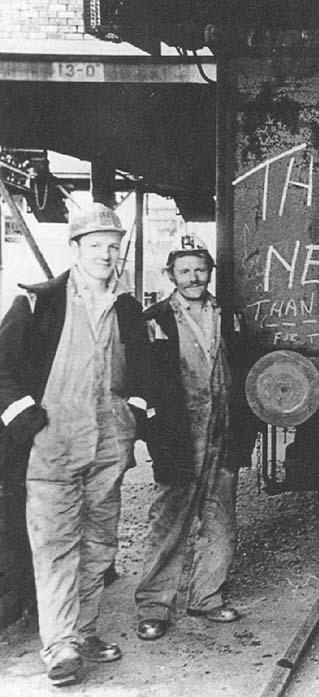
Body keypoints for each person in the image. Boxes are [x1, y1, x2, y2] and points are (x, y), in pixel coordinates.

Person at [0, 202, 150, 686]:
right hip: (52, 448)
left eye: (113, 245)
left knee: (100, 544)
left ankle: (83, 631)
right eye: (96, 245)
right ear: (76, 248)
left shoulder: (126, 307)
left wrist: (135, 415)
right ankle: (60, 645)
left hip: (108, 445)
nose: (106, 253)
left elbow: (145, 370)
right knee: (56, 546)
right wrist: (27, 422)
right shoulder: (38, 303)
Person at [134, 234, 254, 641]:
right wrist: (155, 435)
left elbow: (240, 369)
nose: (193, 277)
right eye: (184, 270)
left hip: (221, 429)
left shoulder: (227, 315)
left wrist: (244, 428)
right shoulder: (155, 319)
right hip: (180, 434)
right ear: (171, 274)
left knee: (221, 518)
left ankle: (207, 595)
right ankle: (154, 606)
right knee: (169, 520)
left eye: (200, 269)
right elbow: (144, 382)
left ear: (210, 272)